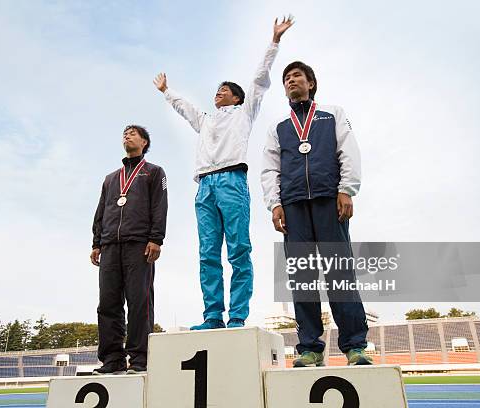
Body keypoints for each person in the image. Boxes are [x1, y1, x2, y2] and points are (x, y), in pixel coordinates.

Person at [152, 17, 293, 330]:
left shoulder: (244, 113)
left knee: (239, 249)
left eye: (225, 90)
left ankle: (237, 316)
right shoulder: (205, 120)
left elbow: (259, 80)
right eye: (217, 89)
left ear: (237, 98)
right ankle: (213, 315)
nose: (219, 92)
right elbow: (184, 107)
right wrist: (166, 91)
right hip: (205, 186)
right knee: (207, 254)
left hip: (232, 181)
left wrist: (274, 41)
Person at [261, 61, 372, 366]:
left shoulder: (332, 114)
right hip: (293, 205)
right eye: (286, 78)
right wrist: (274, 204)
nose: (290, 81)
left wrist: (347, 188)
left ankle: (355, 346)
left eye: (297, 76)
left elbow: (348, 150)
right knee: (302, 278)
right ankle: (310, 347)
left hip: (328, 199)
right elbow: (270, 168)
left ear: (311, 83)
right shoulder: (278, 127)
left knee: (340, 274)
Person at [90, 125, 168, 374]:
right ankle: (112, 359)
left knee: (139, 301)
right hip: (110, 245)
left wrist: (156, 238)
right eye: (124, 133)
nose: (127, 135)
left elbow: (159, 206)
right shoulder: (111, 178)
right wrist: (96, 242)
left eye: (133, 133)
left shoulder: (154, 172)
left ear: (144, 142)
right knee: (108, 303)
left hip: (139, 244)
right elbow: (101, 211)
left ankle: (140, 358)